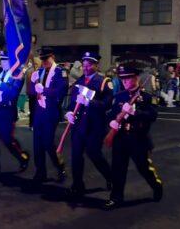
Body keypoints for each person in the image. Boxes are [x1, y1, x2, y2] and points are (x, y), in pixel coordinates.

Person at [104, 61, 163, 210]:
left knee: (144, 168)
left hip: (139, 139)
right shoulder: (119, 96)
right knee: (118, 169)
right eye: (122, 79)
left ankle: (156, 186)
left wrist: (134, 112)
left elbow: (153, 115)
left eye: (128, 78)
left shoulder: (147, 97)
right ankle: (116, 198)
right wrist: (112, 122)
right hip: (121, 138)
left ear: (136, 77)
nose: (124, 81)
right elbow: (110, 114)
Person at [64, 52, 113, 197]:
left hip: (94, 126)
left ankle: (110, 176)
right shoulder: (79, 81)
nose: (85, 67)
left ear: (96, 65)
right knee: (76, 156)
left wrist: (89, 103)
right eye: (84, 64)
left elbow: (107, 104)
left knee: (94, 154)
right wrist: (69, 113)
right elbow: (73, 102)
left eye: (89, 64)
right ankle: (77, 185)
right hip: (79, 125)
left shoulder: (104, 82)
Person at [0, 51, 30, 180]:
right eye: (2, 60)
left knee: (8, 141)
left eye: (6, 61)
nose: (3, 63)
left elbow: (14, 93)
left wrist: (1, 85)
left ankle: (22, 156)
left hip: (7, 112)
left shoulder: (17, 75)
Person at [30, 47, 68, 183]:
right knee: (37, 144)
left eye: (46, 58)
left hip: (51, 112)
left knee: (48, 143)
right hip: (39, 112)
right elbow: (32, 93)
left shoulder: (60, 72)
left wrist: (44, 90)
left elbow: (61, 92)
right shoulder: (39, 71)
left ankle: (60, 167)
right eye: (42, 59)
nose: (44, 61)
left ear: (52, 57)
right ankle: (40, 172)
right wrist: (33, 82)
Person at [25, 57, 41, 130]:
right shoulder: (37, 71)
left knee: (32, 110)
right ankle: (34, 125)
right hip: (36, 93)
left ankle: (31, 124)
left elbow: (28, 83)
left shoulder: (29, 71)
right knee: (36, 110)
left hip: (31, 93)